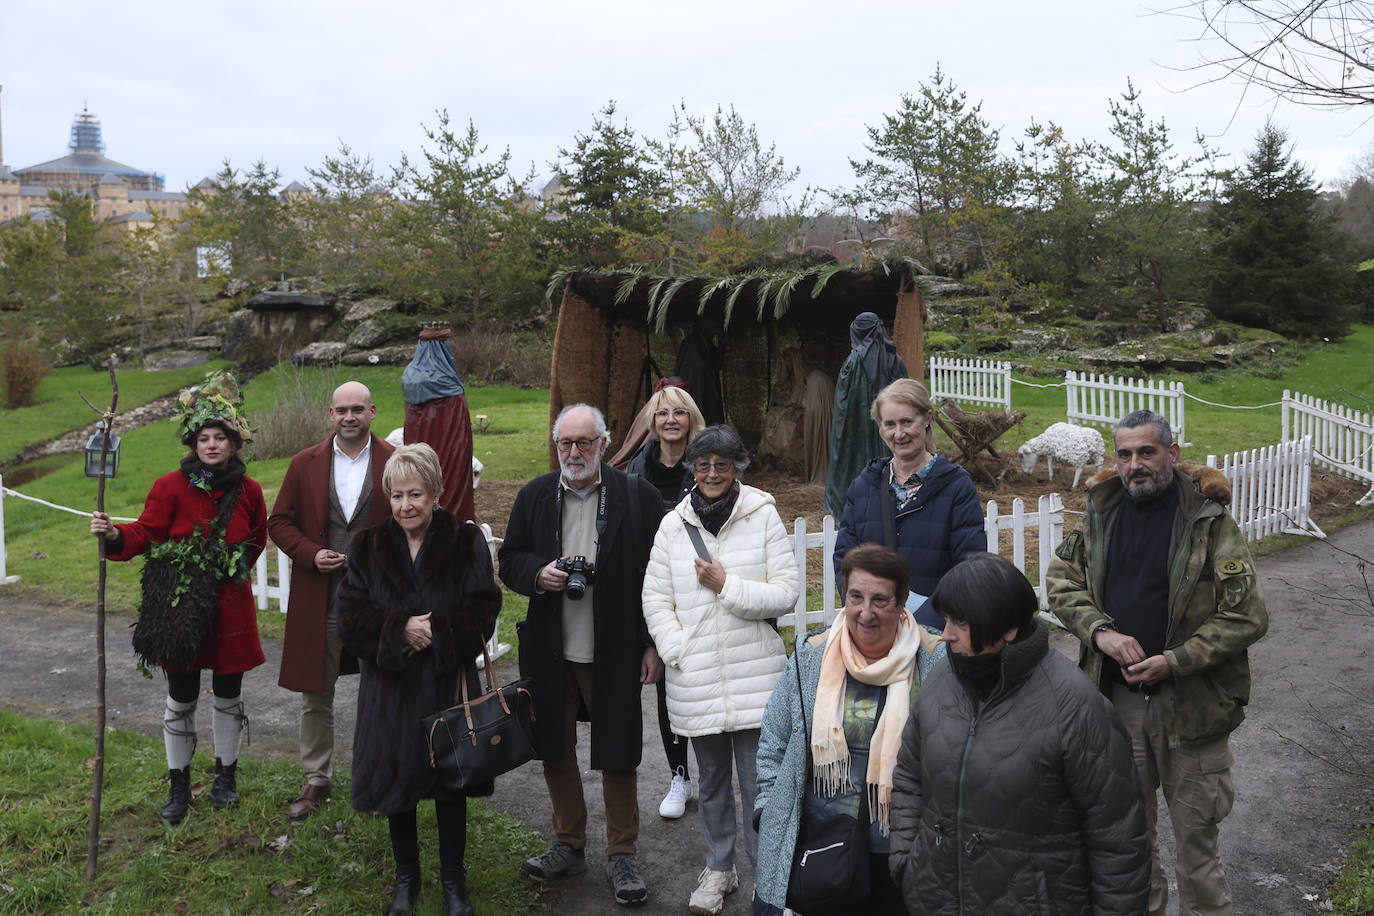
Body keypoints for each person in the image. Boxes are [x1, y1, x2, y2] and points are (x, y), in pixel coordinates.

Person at [1047, 409, 1269, 916]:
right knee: (1132, 847)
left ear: (1170, 454)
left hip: (1192, 706)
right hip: (1118, 703)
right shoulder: (1100, 512)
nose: (1134, 465)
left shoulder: (1210, 521)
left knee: (1197, 851)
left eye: (1146, 452)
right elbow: (1060, 583)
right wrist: (1100, 632)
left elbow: (1248, 616)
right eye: (1124, 455)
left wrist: (1176, 660)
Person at [889, 552, 1151, 914]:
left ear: (1008, 629)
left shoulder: (1076, 706)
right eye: (946, 619)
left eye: (960, 622)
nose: (945, 634)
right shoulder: (940, 682)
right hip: (937, 901)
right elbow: (908, 775)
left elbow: (1118, 837)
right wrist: (908, 860)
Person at [498, 404, 665, 907]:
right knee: (554, 748)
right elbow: (508, 562)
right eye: (565, 444)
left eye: (584, 443)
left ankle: (622, 853)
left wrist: (652, 642)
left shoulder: (637, 496)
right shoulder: (534, 496)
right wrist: (538, 575)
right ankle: (568, 843)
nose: (574, 453)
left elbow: (661, 575)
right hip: (551, 648)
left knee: (619, 752)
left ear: (604, 444)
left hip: (614, 646)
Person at [90, 371, 265, 824]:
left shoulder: (249, 491)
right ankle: (179, 782)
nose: (212, 445)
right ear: (193, 442)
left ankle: (225, 776)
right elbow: (146, 533)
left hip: (229, 606)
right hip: (179, 611)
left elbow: (257, 540)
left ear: (234, 443)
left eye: (220, 437)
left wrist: (226, 572)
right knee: (182, 694)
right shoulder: (169, 487)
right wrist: (114, 534)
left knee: (228, 692)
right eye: (204, 437)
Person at [336, 443, 501, 916]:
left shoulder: (464, 541)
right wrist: (399, 629)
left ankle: (454, 884)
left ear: (436, 494)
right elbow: (349, 617)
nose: (406, 505)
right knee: (397, 787)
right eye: (397, 495)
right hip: (390, 692)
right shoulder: (367, 547)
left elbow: (484, 607)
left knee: (451, 787)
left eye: (416, 495)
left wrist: (441, 632)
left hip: (446, 686)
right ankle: (406, 881)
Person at [641, 425, 799, 916]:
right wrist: (676, 648)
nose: (712, 473)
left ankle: (766, 877)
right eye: (703, 464)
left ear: (737, 469)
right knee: (709, 784)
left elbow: (786, 592)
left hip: (758, 678)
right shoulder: (674, 526)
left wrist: (727, 584)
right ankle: (719, 868)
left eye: (722, 465)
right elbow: (655, 597)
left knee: (759, 786)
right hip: (698, 677)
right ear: (693, 469)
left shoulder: (762, 515)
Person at [754, 544, 945, 916]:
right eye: (856, 597)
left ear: (903, 600)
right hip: (823, 844)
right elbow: (775, 741)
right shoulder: (812, 656)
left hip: (903, 849)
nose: (866, 612)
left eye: (880, 600)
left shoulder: (935, 660)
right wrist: (767, 809)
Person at [269, 380, 395, 822]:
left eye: (357, 409)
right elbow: (279, 521)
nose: (349, 417)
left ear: (372, 411)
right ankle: (316, 778)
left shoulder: (395, 463)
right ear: (330, 414)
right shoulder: (305, 463)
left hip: (378, 603)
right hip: (320, 601)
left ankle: (377, 779)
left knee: (381, 694)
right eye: (341, 410)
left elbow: (416, 518)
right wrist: (309, 553)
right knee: (316, 694)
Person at [832, 377, 985, 629]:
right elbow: (845, 560)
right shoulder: (863, 487)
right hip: (872, 629)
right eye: (889, 424)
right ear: (880, 428)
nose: (899, 434)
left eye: (907, 422)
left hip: (934, 633)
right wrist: (865, 611)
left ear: (927, 418)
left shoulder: (956, 487)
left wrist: (924, 624)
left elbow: (969, 566)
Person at [626, 380, 707, 820]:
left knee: (704, 686)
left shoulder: (709, 466)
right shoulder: (635, 473)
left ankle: (711, 776)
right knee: (665, 687)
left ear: (690, 417)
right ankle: (680, 776)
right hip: (657, 592)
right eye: (663, 413)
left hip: (701, 590)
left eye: (679, 412)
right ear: (652, 423)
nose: (671, 420)